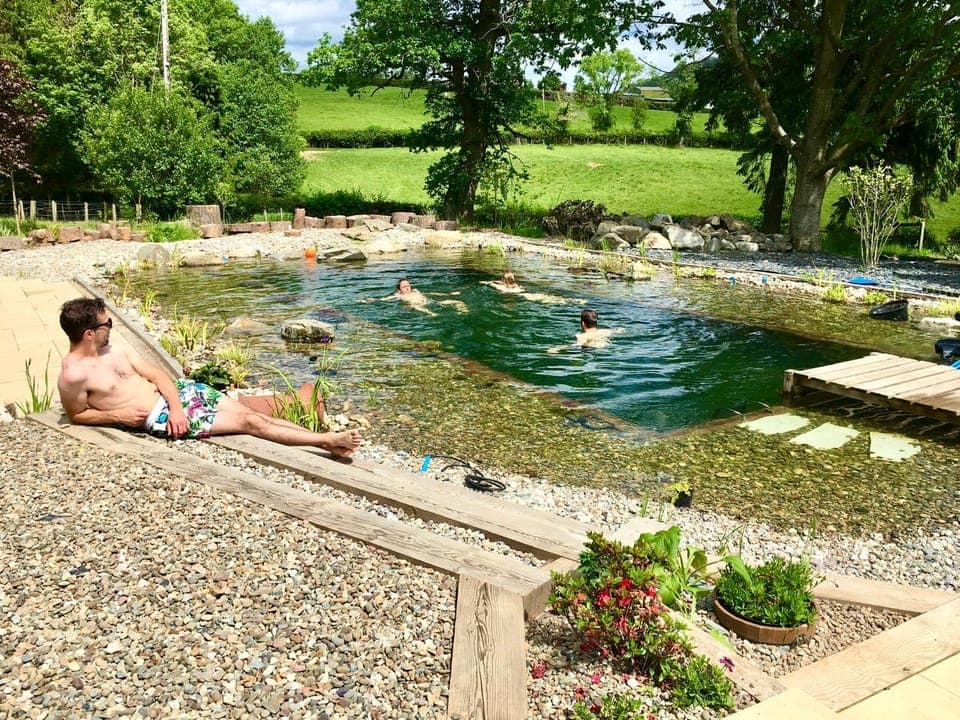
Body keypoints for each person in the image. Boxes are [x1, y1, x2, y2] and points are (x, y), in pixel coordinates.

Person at [56, 297, 362, 457]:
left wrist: (177, 406)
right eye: (106, 324)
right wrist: (117, 416)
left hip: (178, 396)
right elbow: (77, 415)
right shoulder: (73, 376)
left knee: (252, 415)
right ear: (89, 334)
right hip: (158, 417)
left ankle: (325, 443)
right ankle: (326, 441)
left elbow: (159, 375)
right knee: (250, 423)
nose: (111, 327)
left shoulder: (115, 349)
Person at [548, 308, 622, 353]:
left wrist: (558, 348)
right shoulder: (606, 331)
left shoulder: (581, 336)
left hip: (591, 349)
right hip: (604, 347)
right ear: (596, 322)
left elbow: (577, 345)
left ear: (583, 323)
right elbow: (619, 330)